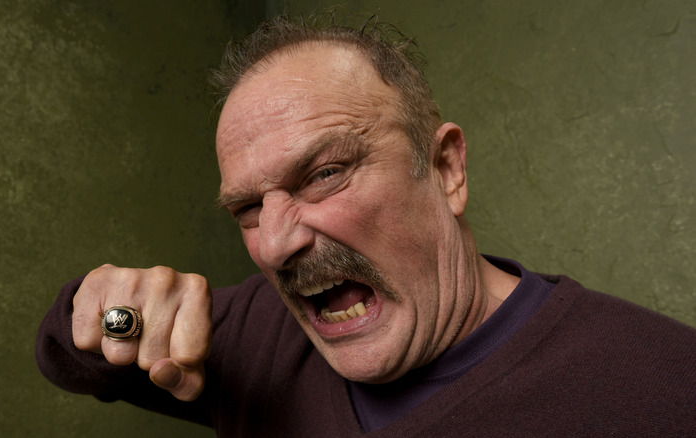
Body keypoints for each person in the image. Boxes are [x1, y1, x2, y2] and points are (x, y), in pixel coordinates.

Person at [36, 15, 696, 437]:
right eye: (247, 209)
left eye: (324, 173)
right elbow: (68, 350)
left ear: (445, 169)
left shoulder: (664, 386)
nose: (276, 243)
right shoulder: (258, 336)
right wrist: (119, 313)